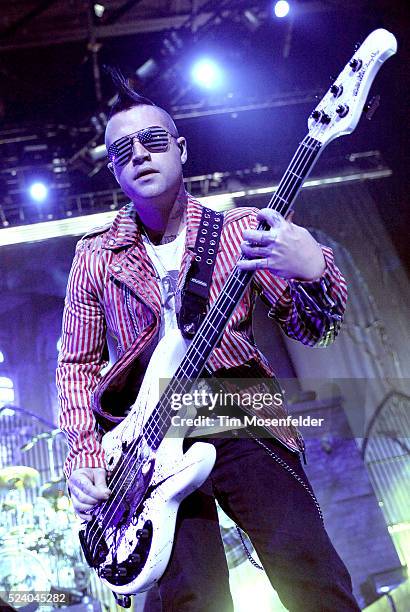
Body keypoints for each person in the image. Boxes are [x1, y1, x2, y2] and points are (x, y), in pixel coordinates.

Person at [56, 73, 360, 611]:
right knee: (188, 598)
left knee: (308, 570)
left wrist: (314, 271)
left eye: (154, 141)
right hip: (147, 439)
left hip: (241, 404)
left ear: (181, 148)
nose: (140, 156)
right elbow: (77, 364)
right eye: (123, 150)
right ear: (113, 170)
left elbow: (317, 330)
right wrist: (84, 457)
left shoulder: (242, 231)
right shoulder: (95, 255)